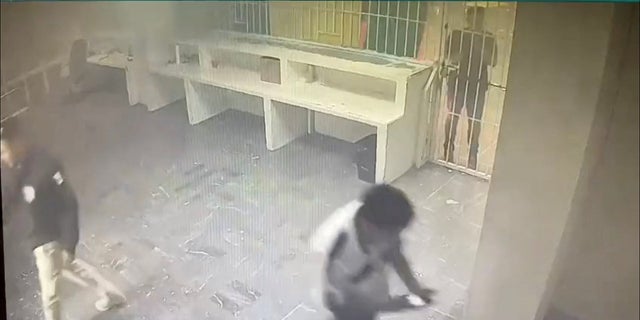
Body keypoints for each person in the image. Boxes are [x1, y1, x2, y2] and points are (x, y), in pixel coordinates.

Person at [1, 120, 124, 320]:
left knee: (50, 294)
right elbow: (8, 200)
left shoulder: (45, 164)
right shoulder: (8, 169)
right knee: (67, 266)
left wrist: (69, 243)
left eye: (5, 151)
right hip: (34, 236)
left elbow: (68, 203)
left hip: (48, 237)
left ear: (18, 143)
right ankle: (110, 293)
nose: (3, 158)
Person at [321, 184, 436, 320]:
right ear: (369, 227)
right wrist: (403, 303)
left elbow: (396, 256)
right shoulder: (339, 251)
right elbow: (362, 305)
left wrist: (414, 287)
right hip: (349, 309)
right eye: (392, 233)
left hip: (368, 296)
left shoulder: (380, 227)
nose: (396, 239)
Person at [443, 6, 498, 170]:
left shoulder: (488, 38)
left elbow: (492, 61)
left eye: (478, 19)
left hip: (477, 85)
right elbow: (449, 58)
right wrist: (465, 47)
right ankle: (448, 149)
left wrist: (478, 44)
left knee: (475, 122)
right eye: (472, 19)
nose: (475, 23)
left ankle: (473, 154)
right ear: (467, 19)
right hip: (457, 82)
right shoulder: (457, 34)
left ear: (482, 20)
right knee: (452, 116)